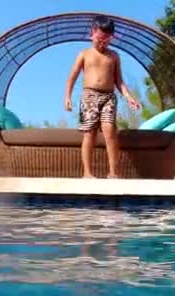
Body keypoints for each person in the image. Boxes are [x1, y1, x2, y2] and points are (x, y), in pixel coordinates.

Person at [64, 15, 141, 179]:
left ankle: (114, 172)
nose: (103, 42)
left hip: (108, 97)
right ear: (92, 33)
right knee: (89, 132)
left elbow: (119, 81)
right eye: (100, 38)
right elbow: (72, 76)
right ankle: (87, 172)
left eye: (107, 39)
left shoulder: (113, 56)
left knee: (110, 131)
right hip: (89, 96)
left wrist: (129, 97)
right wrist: (68, 96)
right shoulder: (84, 54)